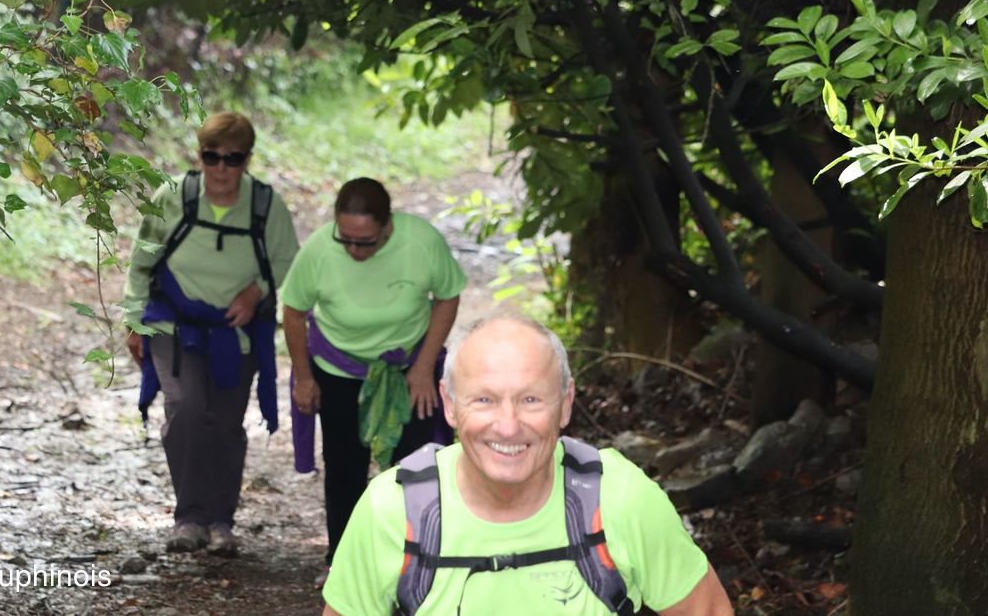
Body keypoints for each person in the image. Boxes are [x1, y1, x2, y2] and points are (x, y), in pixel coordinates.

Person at [322, 316, 734, 616]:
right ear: (449, 404)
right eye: (484, 399)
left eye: (531, 399)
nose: (508, 425)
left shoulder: (619, 498)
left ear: (566, 403)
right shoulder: (394, 508)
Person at [124, 112, 299, 557]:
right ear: (199, 156)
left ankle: (220, 521)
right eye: (211, 157)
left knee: (224, 422)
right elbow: (142, 259)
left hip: (236, 331)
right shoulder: (174, 196)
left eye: (233, 159)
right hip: (173, 322)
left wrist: (256, 292)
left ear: (247, 160)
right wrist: (133, 321)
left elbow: (287, 261)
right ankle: (189, 518)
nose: (221, 168)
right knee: (185, 408)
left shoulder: (265, 206)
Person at [282, 177, 466, 585]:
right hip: (339, 367)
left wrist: (423, 367)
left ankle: (413, 562)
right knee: (344, 466)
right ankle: (343, 562)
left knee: (415, 465)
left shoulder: (421, 242)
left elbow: (448, 296)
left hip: (408, 367)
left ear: (388, 226)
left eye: (365, 242)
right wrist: (304, 377)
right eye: (345, 238)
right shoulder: (319, 250)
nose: (353, 250)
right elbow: (293, 311)